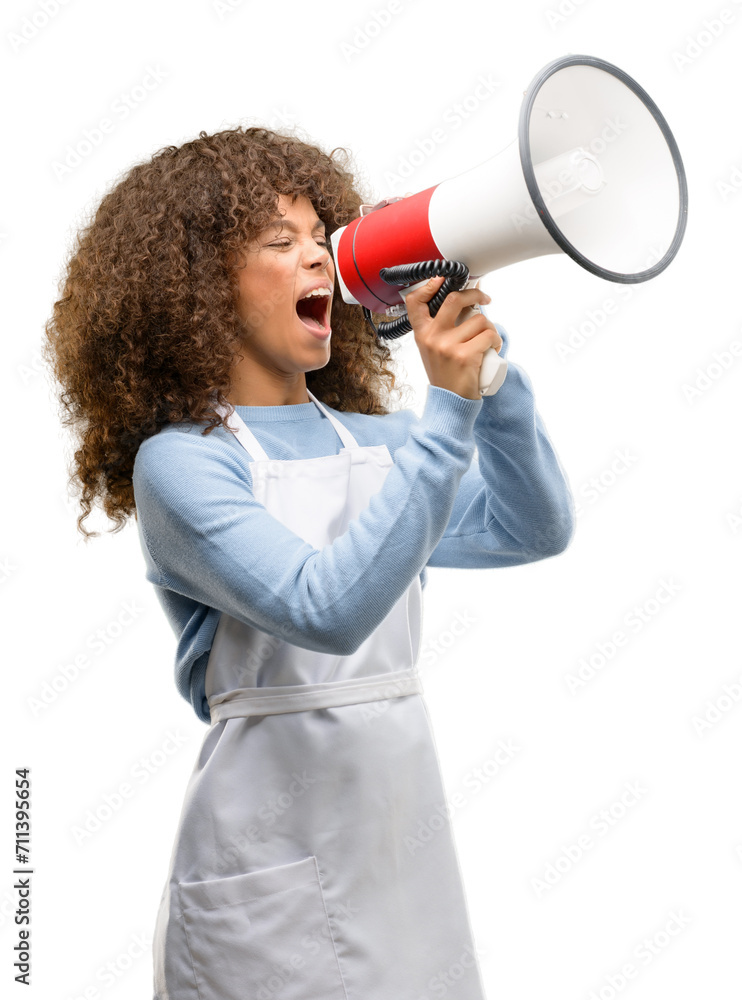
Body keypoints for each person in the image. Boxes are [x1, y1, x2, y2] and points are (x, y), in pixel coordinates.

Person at [44, 125, 575, 1000]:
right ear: (201, 289)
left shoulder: (380, 443)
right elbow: (325, 609)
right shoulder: (182, 464)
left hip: (399, 831)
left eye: (318, 238)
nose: (317, 260)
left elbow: (532, 526)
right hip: (268, 855)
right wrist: (445, 417)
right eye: (277, 243)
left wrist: (494, 385)